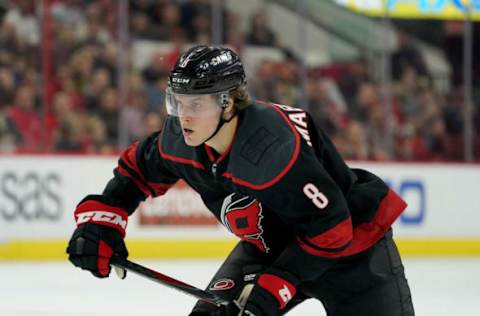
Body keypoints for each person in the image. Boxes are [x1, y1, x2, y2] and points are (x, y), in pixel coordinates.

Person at [66, 45, 414, 316]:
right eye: (178, 102)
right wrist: (105, 221)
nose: (183, 117)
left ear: (229, 103)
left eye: (197, 105)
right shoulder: (179, 138)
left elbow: (332, 228)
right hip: (267, 249)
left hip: (353, 254)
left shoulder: (271, 148)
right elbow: (136, 171)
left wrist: (279, 283)